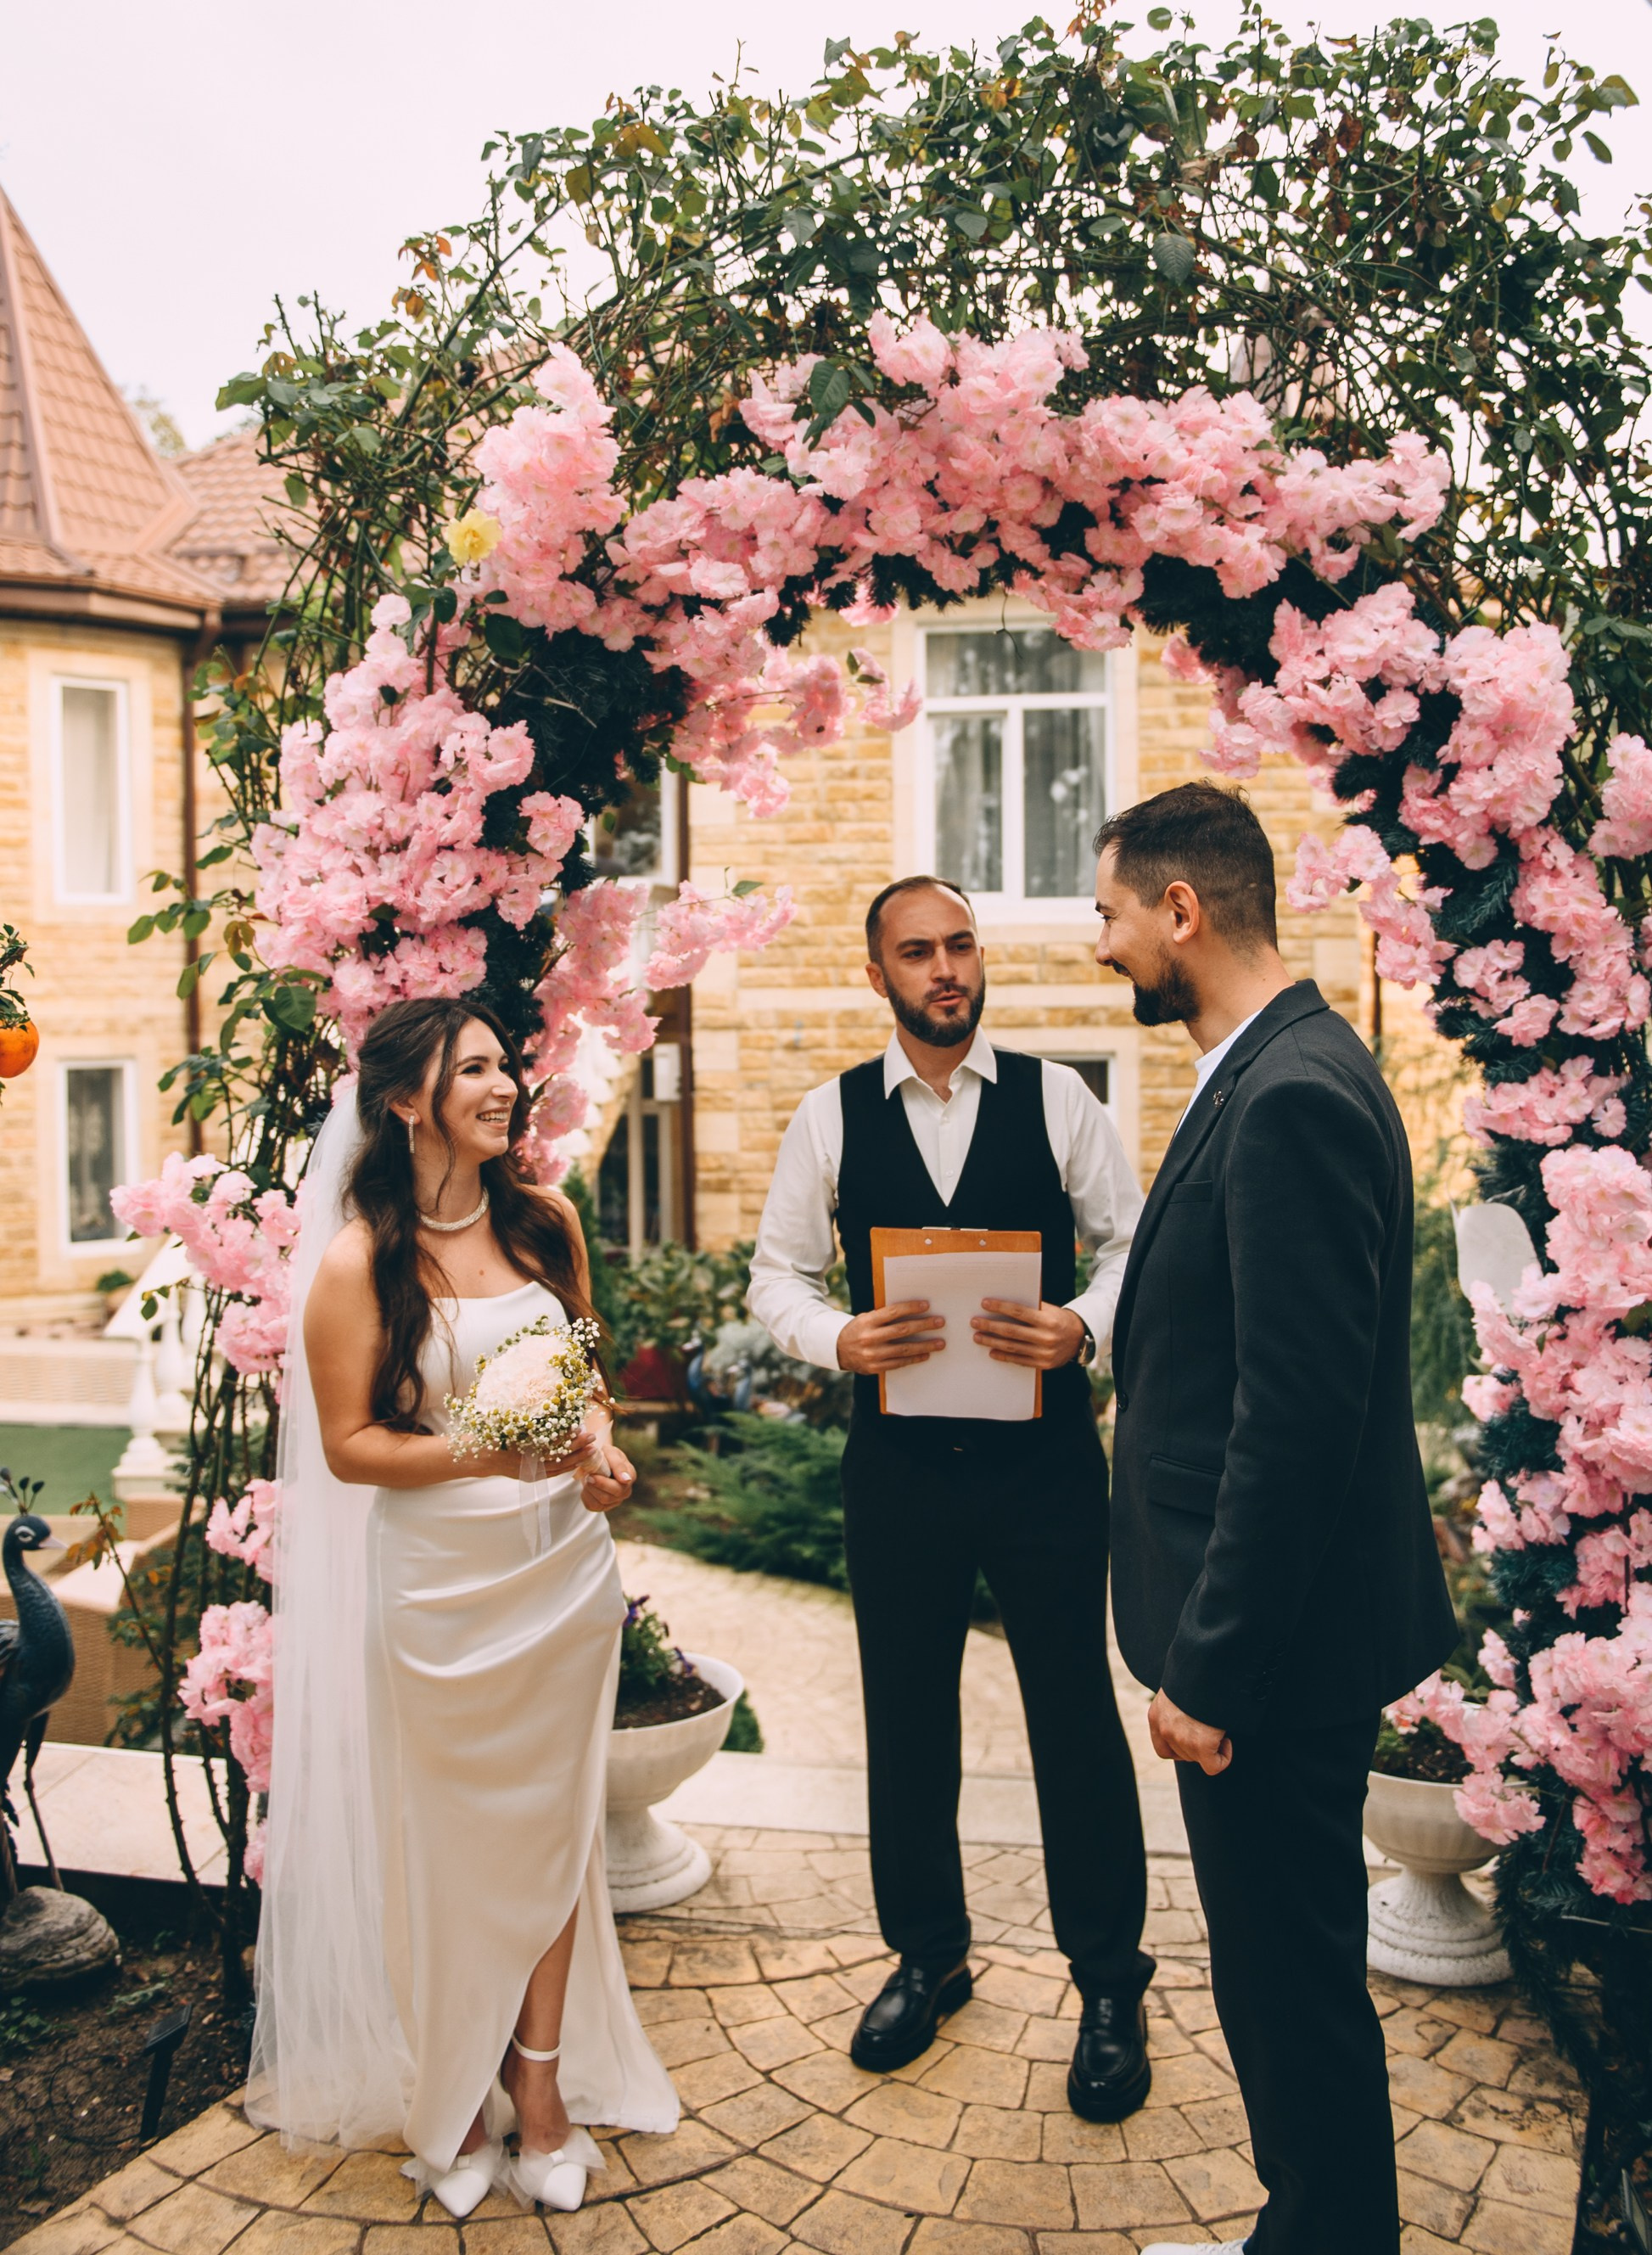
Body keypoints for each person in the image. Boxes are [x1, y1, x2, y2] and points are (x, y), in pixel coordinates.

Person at [1091, 784, 1458, 2255]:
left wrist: (1209, 1667)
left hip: (1269, 1657)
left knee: (1287, 1982)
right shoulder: (1276, 1063)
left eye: (1113, 913)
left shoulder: (1293, 1090)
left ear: (1183, 909)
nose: (1103, 944)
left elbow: (1294, 1422)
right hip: (1279, 1644)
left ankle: (1322, 2235)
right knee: (1283, 1974)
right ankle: (1308, 2227)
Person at [247, 997, 678, 2219]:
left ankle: (538, 2094)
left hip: (559, 1579)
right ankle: (458, 2080)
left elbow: (582, 1387)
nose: (504, 1083)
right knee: (450, 1851)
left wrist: (599, 1452)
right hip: (438, 1595)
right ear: (402, 1099)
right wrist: (485, 1454)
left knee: (552, 1840)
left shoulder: (544, 1225)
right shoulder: (358, 1262)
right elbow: (351, 1448)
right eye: (473, 1067)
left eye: (505, 1063)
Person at [749, 876, 1155, 2117]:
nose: (945, 969)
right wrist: (835, 1341)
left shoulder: (1060, 1099)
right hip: (900, 1465)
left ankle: (1108, 1981)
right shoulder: (829, 1117)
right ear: (879, 974)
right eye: (918, 951)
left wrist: (1082, 1323)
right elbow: (776, 1274)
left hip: (1043, 1465)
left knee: (1074, 1715)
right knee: (908, 1715)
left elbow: (1136, 1242)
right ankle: (929, 1956)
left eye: (961, 945)